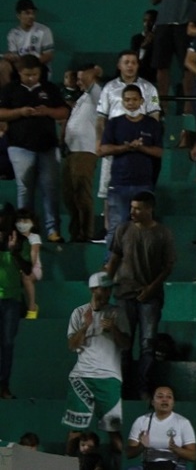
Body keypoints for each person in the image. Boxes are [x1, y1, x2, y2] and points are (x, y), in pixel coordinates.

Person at [103, 191, 175, 400]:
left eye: (137, 208)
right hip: (124, 294)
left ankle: (143, 389)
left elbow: (168, 266)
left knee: (147, 344)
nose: (132, 211)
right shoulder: (123, 229)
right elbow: (115, 258)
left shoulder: (163, 233)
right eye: (131, 207)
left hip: (150, 297)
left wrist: (151, 288)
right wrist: (107, 284)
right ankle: (123, 389)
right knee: (123, 344)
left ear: (149, 209)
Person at [62, 272, 131, 460]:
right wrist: (86, 326)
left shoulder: (118, 312)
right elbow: (72, 345)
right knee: (75, 432)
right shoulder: (79, 313)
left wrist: (113, 329)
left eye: (109, 289)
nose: (107, 292)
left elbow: (126, 344)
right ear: (93, 289)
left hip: (109, 377)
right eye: (104, 288)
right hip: (82, 377)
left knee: (114, 430)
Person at [0, 54, 68, 243]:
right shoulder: (10, 90)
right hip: (19, 146)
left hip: (48, 146)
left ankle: (53, 230)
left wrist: (48, 111)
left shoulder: (49, 88)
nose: (31, 78)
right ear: (19, 73)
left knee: (50, 188)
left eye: (35, 74)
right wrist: (20, 112)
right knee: (25, 189)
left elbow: (63, 111)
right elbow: (1, 113)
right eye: (27, 75)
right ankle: (25, 231)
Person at [97, 85, 163, 248]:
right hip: (119, 183)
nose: (131, 103)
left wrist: (141, 148)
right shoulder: (114, 123)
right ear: (122, 102)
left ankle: (142, 264)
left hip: (144, 184)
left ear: (142, 101)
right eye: (127, 100)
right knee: (116, 228)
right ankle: (109, 266)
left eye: (134, 99)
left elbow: (159, 152)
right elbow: (103, 149)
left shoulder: (151, 124)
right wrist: (125, 147)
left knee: (144, 229)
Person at [63, 62, 102, 243]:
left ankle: (86, 234)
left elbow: (88, 79)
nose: (78, 82)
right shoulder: (82, 98)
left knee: (82, 193)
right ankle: (75, 232)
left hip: (85, 151)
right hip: (71, 152)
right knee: (70, 196)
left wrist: (93, 71)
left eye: (80, 78)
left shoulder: (98, 94)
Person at [125, 385, 196, 468]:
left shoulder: (183, 422)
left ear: (173, 403)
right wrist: (141, 446)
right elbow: (129, 454)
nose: (164, 399)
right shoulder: (141, 421)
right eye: (160, 396)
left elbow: (193, 456)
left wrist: (175, 448)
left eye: (169, 397)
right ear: (153, 402)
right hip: (148, 466)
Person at [1, 216, 32, 399]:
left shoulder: (19, 243)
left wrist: (14, 253)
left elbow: (28, 270)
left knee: (7, 344)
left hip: (11, 301)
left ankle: (3, 385)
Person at [1, 0, 54, 87]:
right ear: (18, 15)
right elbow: (15, 57)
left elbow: (48, 55)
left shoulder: (44, 30)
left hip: (38, 65)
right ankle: (8, 94)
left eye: (33, 13)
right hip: (20, 66)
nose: (31, 16)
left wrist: (30, 64)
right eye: (27, 13)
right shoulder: (13, 34)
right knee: (2, 66)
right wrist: (13, 59)